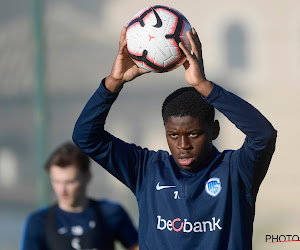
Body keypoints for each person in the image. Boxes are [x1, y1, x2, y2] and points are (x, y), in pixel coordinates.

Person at [72, 26, 277, 249]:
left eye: (193, 134)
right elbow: (85, 136)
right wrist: (113, 83)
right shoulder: (147, 169)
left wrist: (204, 86)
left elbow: (263, 135)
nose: (183, 145)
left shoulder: (235, 171)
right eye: (173, 135)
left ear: (214, 131)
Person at [21, 141, 139, 250]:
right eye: (56, 181)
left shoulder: (111, 213)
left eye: (70, 182)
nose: (62, 190)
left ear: (87, 176)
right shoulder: (38, 221)